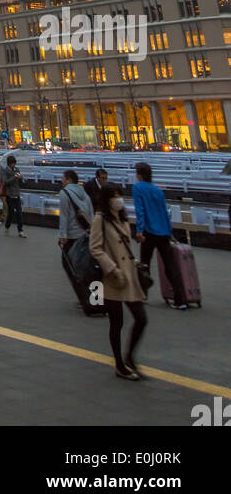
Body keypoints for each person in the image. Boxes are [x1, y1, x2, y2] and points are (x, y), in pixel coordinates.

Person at [89, 183, 147, 379]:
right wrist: (112, 268)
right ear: (106, 200)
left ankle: (129, 356)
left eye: (119, 195)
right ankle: (120, 364)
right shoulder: (100, 219)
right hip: (113, 277)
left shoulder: (122, 217)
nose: (118, 199)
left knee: (141, 318)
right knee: (117, 322)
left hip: (128, 275)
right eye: (114, 196)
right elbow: (95, 248)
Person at [132, 162, 187, 309]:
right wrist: (169, 232)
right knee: (171, 266)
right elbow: (164, 213)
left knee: (145, 264)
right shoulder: (158, 190)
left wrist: (139, 230)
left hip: (149, 231)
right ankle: (180, 300)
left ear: (140, 175)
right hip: (163, 231)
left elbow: (140, 211)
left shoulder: (138, 188)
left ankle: (142, 294)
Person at [58, 169, 93, 252]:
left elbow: (64, 215)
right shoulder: (84, 192)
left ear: (69, 180)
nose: (61, 181)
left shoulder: (64, 192)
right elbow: (91, 211)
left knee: (68, 261)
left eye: (63, 178)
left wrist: (63, 235)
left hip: (71, 234)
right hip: (84, 232)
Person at [0, 155, 26, 237]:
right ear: (9, 164)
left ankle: (20, 230)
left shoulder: (17, 170)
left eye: (14, 163)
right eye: (12, 164)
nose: (13, 165)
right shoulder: (5, 171)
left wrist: (21, 178)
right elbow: (6, 182)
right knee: (11, 213)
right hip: (9, 195)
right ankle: (7, 226)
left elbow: (20, 183)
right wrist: (14, 177)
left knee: (19, 213)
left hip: (17, 194)